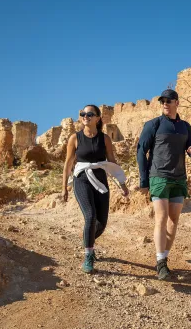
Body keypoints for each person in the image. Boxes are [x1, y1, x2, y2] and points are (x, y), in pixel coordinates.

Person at [137, 89, 191, 280]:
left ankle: (164, 258)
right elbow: (141, 151)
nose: (165, 103)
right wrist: (144, 180)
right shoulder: (153, 125)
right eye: (163, 101)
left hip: (179, 178)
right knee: (161, 217)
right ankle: (160, 262)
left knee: (174, 220)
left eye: (169, 100)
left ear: (177, 103)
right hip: (159, 176)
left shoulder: (185, 127)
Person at [62, 104, 129, 274]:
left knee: (102, 223)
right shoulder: (74, 138)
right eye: (83, 113)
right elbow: (68, 164)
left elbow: (112, 161)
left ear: (98, 118)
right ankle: (88, 255)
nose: (86, 116)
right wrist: (64, 187)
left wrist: (122, 183)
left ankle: (87, 239)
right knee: (90, 216)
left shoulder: (105, 138)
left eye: (90, 114)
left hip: (100, 180)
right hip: (81, 179)